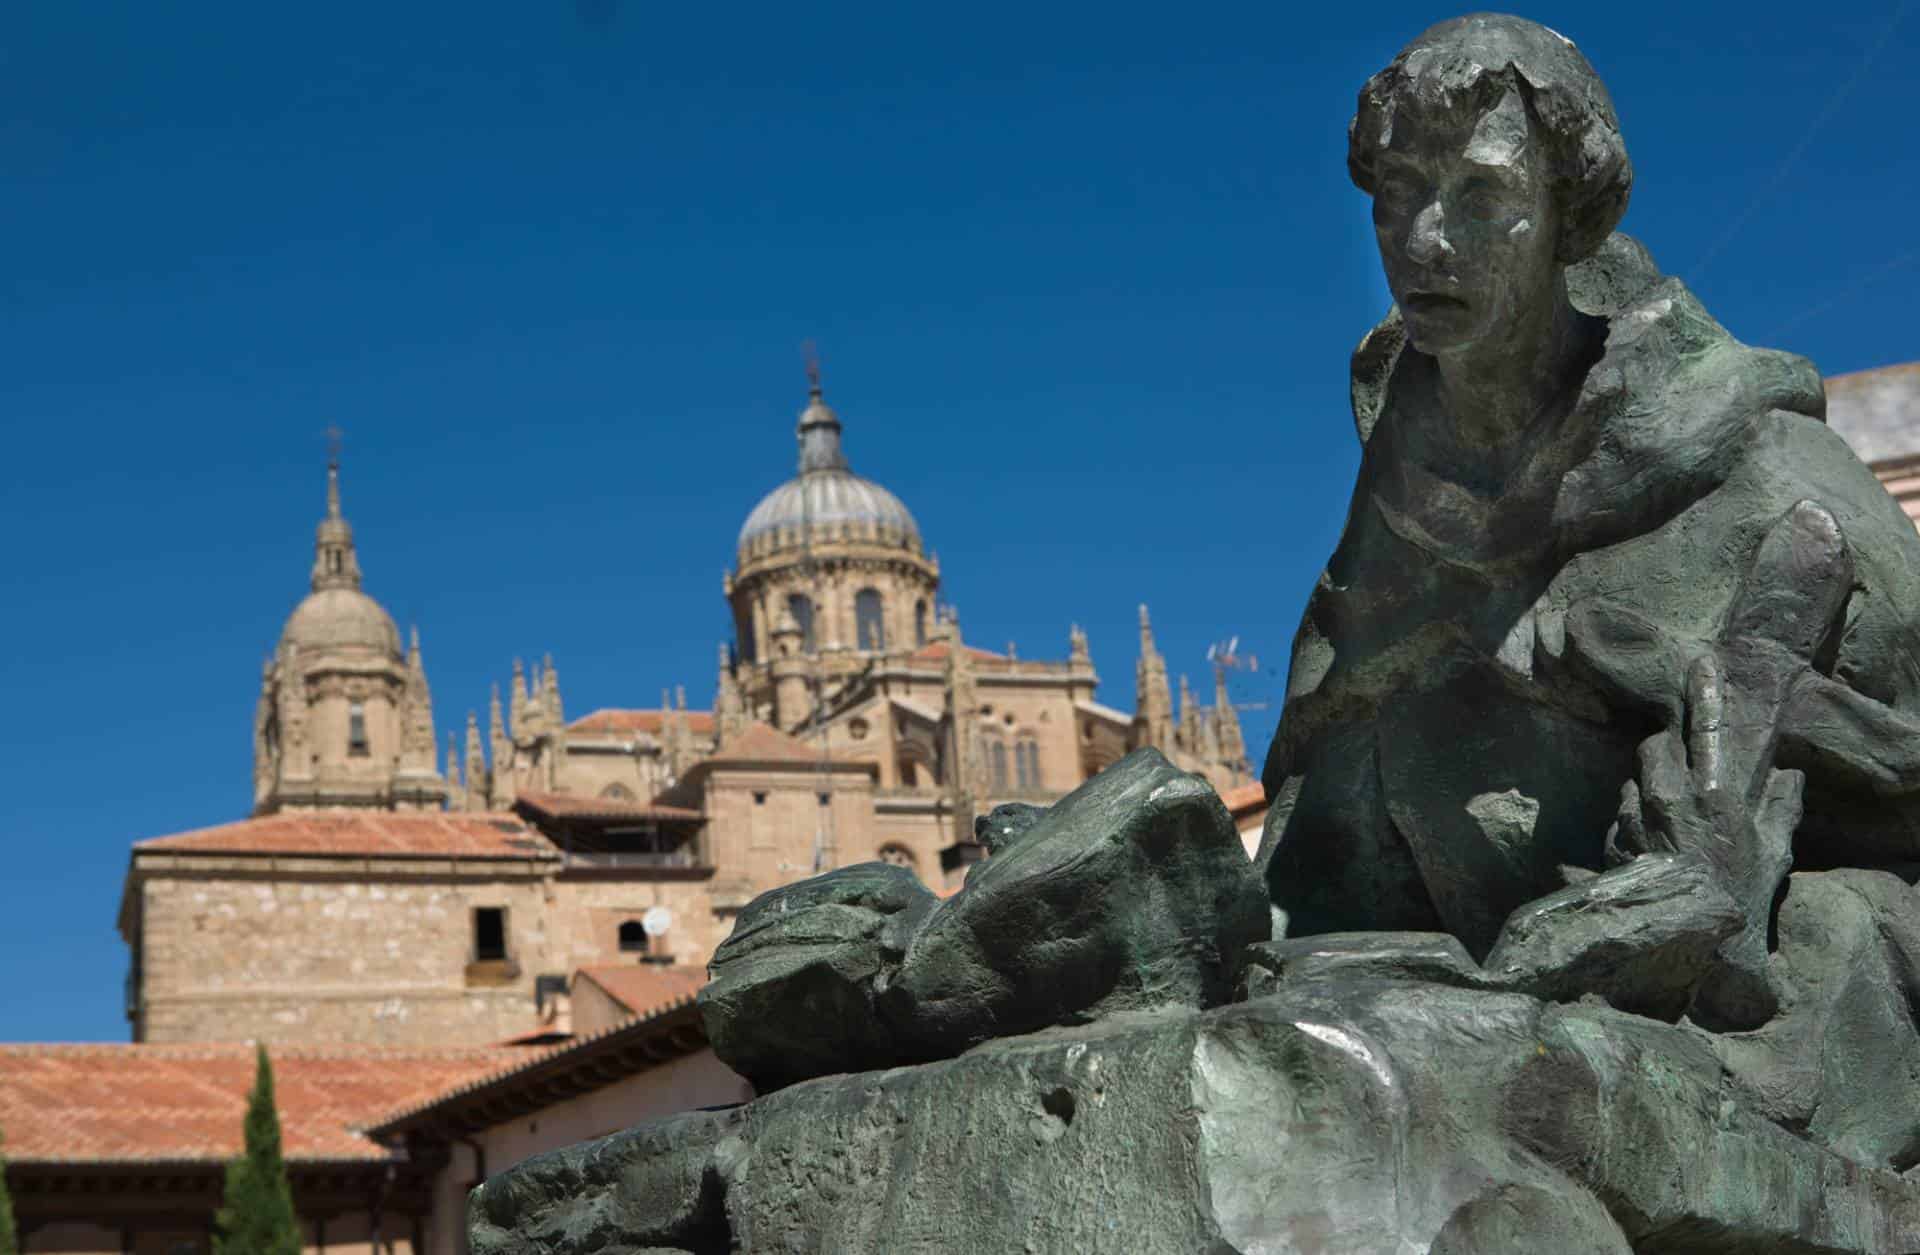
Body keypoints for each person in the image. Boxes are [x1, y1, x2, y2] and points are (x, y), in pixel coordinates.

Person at [1258, 14, 1920, 1038]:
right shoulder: (1397, 493)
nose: (1426, 240)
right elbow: (1317, 813)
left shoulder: (1754, 458)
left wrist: (1726, 726)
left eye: (1483, 194)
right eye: (1398, 194)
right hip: (1484, 995)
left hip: (1762, 990)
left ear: (1570, 217)